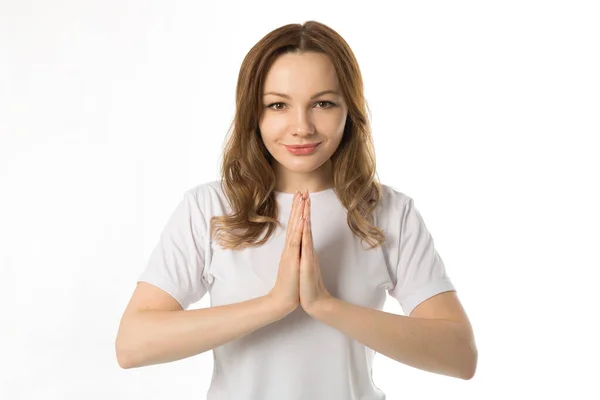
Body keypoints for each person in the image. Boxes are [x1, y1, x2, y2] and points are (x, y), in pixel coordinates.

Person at [115, 20, 477, 399]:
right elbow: (132, 345)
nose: (301, 127)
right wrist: (274, 304)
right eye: (278, 105)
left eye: (322, 103)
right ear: (253, 114)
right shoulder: (210, 208)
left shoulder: (389, 212)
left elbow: (460, 355)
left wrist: (324, 305)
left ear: (348, 110)